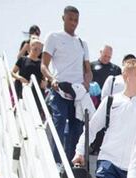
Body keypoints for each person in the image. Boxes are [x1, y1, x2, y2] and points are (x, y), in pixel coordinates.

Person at [41, 5, 92, 163]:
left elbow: (88, 71)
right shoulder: (53, 37)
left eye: (76, 20)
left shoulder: (82, 43)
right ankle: (56, 162)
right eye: (70, 18)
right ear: (63, 18)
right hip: (60, 89)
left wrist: (86, 84)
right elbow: (43, 65)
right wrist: (52, 79)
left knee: (76, 129)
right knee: (60, 122)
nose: (73, 22)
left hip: (77, 93)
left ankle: (70, 164)